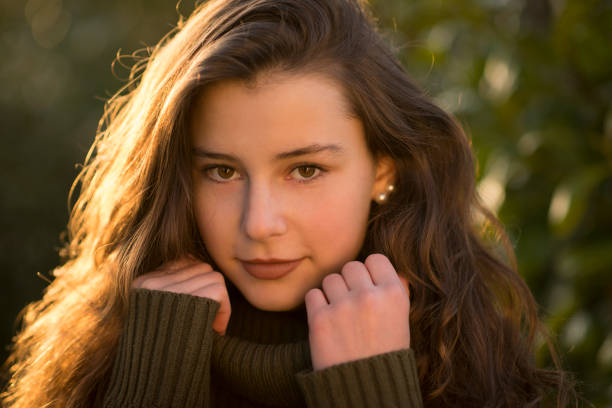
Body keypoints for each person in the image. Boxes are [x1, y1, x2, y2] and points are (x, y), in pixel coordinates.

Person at [1, 0, 578, 406]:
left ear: (382, 169)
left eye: (305, 170)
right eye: (221, 171)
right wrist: (152, 375)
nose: (259, 224)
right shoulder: (117, 336)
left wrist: (371, 387)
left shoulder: (464, 352)